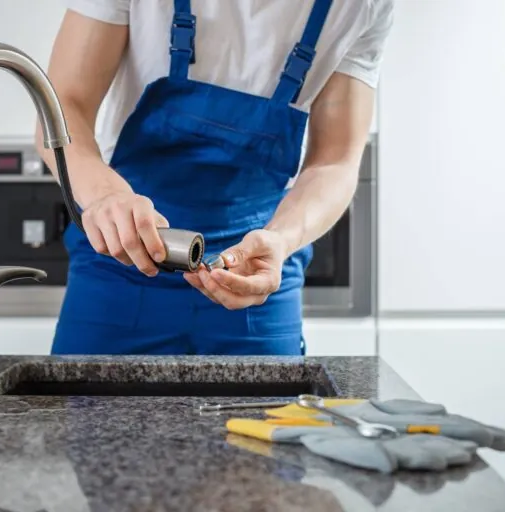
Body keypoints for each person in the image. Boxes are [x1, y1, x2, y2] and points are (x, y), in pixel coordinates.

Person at [36, 0, 394, 356]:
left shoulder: (362, 5)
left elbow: (334, 162)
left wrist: (280, 241)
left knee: (267, 413)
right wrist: (103, 196)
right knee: (90, 412)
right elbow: (64, 105)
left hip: (254, 274)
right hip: (121, 260)